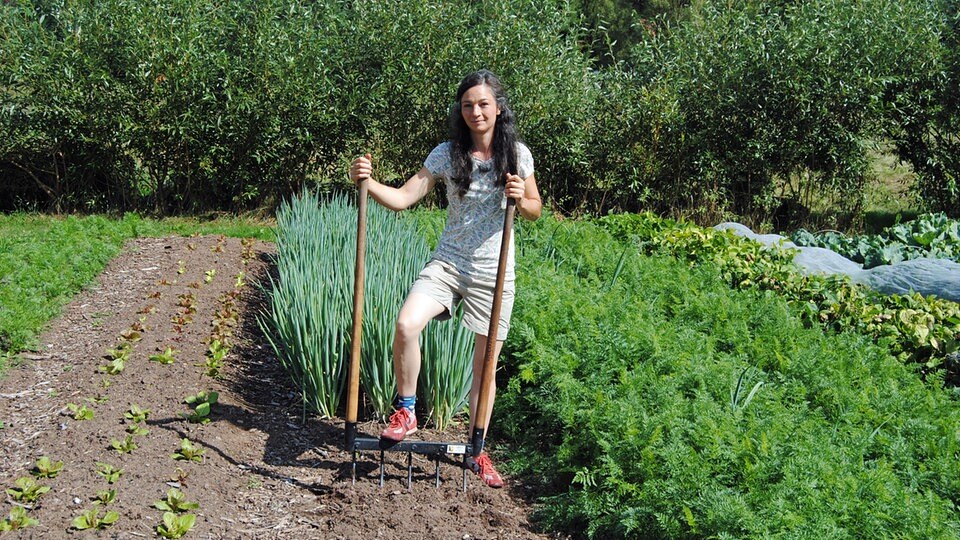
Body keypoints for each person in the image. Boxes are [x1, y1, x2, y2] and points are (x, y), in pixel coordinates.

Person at [348, 69, 541, 488]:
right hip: (448, 264)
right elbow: (403, 198)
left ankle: (477, 450)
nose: (476, 111)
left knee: (484, 369)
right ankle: (407, 410)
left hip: (494, 272)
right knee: (406, 323)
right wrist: (366, 182)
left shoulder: (518, 156)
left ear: (498, 108)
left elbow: (535, 208)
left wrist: (518, 198)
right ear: (461, 110)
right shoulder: (447, 153)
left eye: (483, 104)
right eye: (468, 104)